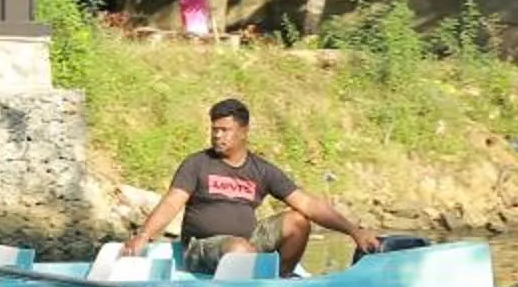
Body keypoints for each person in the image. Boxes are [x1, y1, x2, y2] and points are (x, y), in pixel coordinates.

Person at [120, 97, 380, 277]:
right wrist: (144, 235)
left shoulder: (261, 170)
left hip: (246, 244)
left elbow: (309, 204)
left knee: (298, 221)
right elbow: (172, 202)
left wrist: (353, 232)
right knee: (240, 250)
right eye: (214, 130)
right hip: (202, 248)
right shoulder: (197, 163)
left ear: (243, 132)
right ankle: (253, 274)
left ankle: (279, 281)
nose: (217, 136)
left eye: (225, 130)